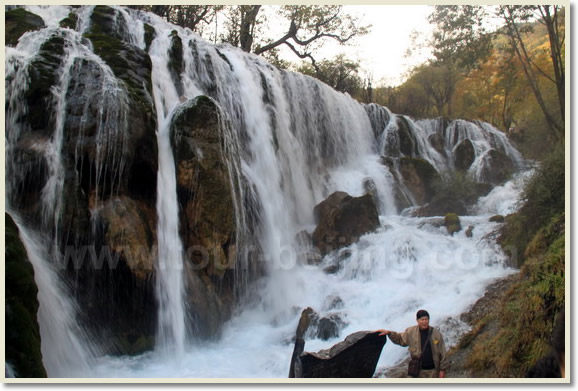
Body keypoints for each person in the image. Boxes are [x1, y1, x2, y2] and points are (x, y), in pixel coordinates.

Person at [377, 309, 448, 378]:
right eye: (422, 319)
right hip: (418, 371)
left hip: (434, 371)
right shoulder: (411, 332)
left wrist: (442, 370)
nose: (424, 322)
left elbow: (442, 352)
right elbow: (400, 339)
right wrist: (389, 333)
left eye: (426, 319)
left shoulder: (436, 333)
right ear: (417, 320)